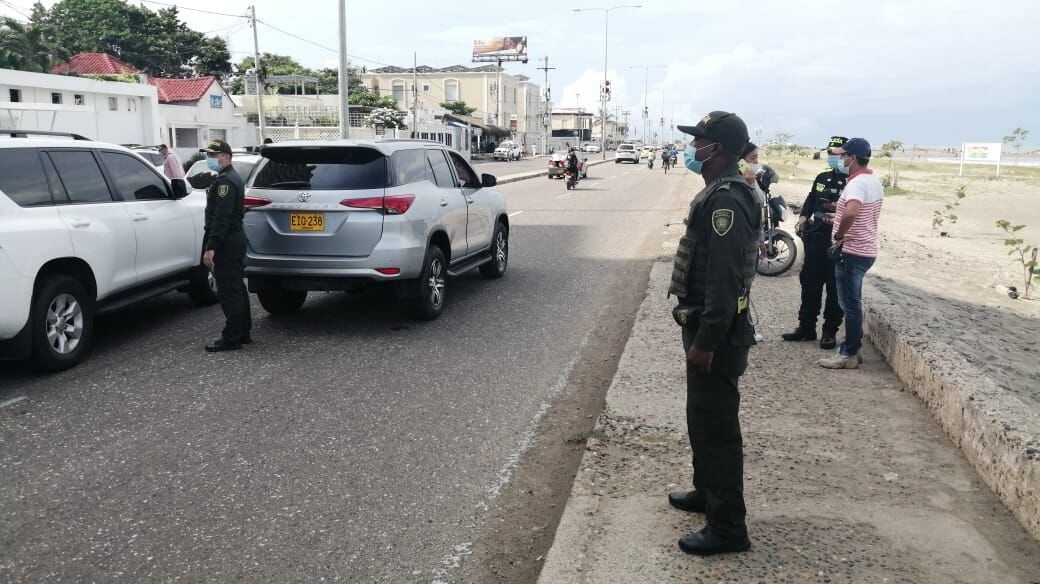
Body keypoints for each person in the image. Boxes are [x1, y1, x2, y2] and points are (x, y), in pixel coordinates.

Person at [668, 111, 759, 556]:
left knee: (718, 430)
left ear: (716, 149)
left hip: (716, 334)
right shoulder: (717, 193)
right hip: (706, 326)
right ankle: (706, 493)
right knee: (701, 419)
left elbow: (723, 282)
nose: (692, 148)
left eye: (699, 141)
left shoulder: (726, 201)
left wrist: (706, 341)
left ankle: (727, 529)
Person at [818, 138, 883, 369]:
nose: (841, 159)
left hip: (852, 251)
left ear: (853, 158)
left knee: (850, 305)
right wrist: (838, 212)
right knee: (853, 303)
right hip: (865, 249)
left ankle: (848, 354)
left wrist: (838, 236)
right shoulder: (872, 181)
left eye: (844, 155)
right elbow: (858, 211)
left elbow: (853, 212)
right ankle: (853, 349)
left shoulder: (856, 184)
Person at [782, 136, 849, 349]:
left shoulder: (853, 183)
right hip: (816, 238)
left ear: (847, 156)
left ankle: (829, 331)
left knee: (834, 288)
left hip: (838, 242)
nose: (832, 158)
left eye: (836, 154)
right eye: (829, 153)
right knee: (809, 283)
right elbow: (811, 199)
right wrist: (803, 217)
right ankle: (806, 327)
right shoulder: (822, 177)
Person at [199, 139, 252, 353]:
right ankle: (243, 332)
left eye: (213, 156)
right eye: (209, 155)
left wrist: (211, 246)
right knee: (237, 287)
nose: (209, 159)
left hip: (227, 242)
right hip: (233, 239)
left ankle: (231, 338)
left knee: (229, 291)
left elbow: (221, 218)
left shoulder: (225, 183)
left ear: (226, 157)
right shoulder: (229, 178)